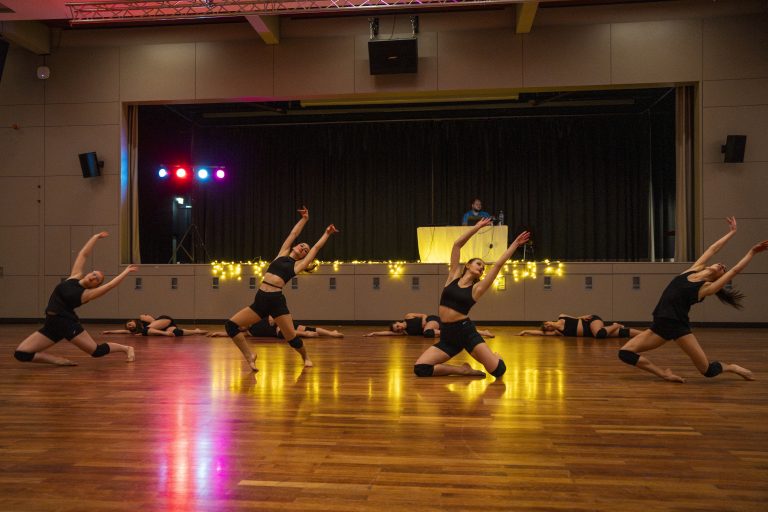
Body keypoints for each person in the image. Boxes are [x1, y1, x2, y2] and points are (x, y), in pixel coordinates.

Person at [618, 217, 765, 383]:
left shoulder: (706, 288)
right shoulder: (692, 270)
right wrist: (732, 232)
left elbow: (735, 270)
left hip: (678, 326)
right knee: (625, 353)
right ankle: (664, 374)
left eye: (723, 270)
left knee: (707, 370)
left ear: (719, 277)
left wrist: (752, 252)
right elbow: (713, 249)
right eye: (721, 264)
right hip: (659, 325)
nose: (722, 266)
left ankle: (732, 367)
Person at [223, 206, 338, 371]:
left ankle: (305, 356)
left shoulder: (298, 265)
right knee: (230, 326)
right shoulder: (282, 254)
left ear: (304, 256)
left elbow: (316, 248)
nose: (303, 248)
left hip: (276, 302)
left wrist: (327, 233)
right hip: (260, 299)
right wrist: (304, 219)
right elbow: (293, 234)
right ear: (295, 246)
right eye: (301, 246)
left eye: (305, 250)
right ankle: (250, 356)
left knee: (292, 339)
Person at [414, 218, 530, 378]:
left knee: (498, 371)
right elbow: (457, 245)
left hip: (465, 332)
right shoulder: (453, 276)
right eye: (478, 264)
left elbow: (498, 265)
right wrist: (477, 227)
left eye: (483, 268)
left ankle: (496, 357)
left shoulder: (477, 289)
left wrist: (515, 244)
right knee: (421, 369)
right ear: (468, 265)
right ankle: (462, 370)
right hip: (447, 335)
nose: (482, 268)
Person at [13, 232, 138, 365]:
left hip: (67, 324)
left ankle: (127, 348)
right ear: (89, 273)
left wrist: (125, 272)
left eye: (97, 279)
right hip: (51, 323)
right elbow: (83, 254)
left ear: (95, 285)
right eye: (94, 274)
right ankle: (57, 360)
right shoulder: (75, 276)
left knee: (96, 351)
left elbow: (110, 285)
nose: (93, 277)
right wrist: (95, 237)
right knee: (21, 353)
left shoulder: (87, 294)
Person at [364, 312, 495, 338]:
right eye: (397, 330)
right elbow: (388, 333)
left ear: (398, 322)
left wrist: (423, 321)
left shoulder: (408, 316)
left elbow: (423, 314)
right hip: (432, 330)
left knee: (427, 333)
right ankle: (483, 332)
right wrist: (374, 333)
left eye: (397, 326)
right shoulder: (405, 332)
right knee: (457, 329)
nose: (399, 329)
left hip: (431, 321)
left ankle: (451, 335)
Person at [208, 316, 344, 339]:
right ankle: (306, 334)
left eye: (242, 324)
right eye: (241, 328)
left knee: (307, 328)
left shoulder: (256, 318)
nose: (242, 327)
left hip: (282, 322)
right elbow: (231, 334)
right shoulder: (249, 332)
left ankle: (331, 333)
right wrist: (218, 333)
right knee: (281, 333)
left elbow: (271, 311)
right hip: (279, 331)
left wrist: (272, 317)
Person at [518, 314, 641, 338]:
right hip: (590, 332)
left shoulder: (561, 317)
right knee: (623, 333)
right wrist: (525, 331)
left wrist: (584, 316)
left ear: (549, 321)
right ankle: (644, 334)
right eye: (547, 328)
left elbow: (576, 318)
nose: (548, 326)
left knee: (599, 334)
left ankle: (616, 325)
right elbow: (540, 333)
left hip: (591, 322)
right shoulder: (558, 332)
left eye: (547, 324)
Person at [102, 314, 207, 337]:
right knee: (176, 333)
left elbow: (154, 321)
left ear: (133, 320)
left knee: (146, 330)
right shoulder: (137, 330)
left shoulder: (142, 318)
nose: (130, 326)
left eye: (129, 324)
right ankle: (196, 331)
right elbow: (123, 331)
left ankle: (165, 334)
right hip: (166, 327)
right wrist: (110, 331)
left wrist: (145, 331)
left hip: (163, 320)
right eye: (129, 327)